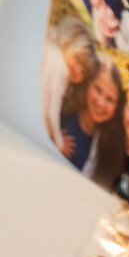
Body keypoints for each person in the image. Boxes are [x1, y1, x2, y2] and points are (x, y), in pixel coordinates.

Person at [42, 14, 98, 158]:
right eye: (78, 59)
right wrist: (60, 143)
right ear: (69, 43)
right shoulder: (62, 70)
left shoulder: (51, 51)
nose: (77, 70)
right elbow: (51, 113)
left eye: (83, 72)